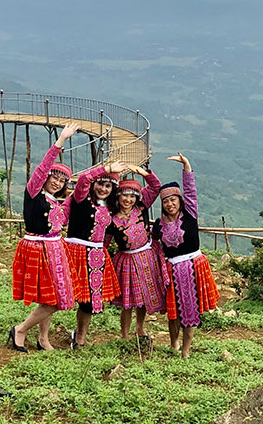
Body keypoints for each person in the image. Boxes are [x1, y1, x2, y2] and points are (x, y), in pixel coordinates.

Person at [9, 123, 84, 352]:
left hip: (54, 250)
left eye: (62, 181)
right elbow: (42, 168)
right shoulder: (34, 192)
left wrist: (104, 172)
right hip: (37, 249)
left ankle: (43, 339)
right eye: (55, 178)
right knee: (55, 300)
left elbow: (80, 191)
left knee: (48, 297)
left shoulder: (57, 203)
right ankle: (20, 330)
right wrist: (60, 140)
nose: (57, 183)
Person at [156, 153, 219, 357]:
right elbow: (153, 245)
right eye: (166, 201)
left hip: (193, 266)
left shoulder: (190, 214)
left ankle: (186, 350)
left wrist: (187, 166)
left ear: (180, 201)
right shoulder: (159, 225)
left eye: (173, 200)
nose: (170, 204)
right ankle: (173, 344)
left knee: (191, 310)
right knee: (173, 312)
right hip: (172, 270)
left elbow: (191, 192)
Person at [65, 160, 124, 349]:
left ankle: (80, 337)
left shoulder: (111, 208)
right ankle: (42, 336)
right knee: (59, 295)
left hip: (96, 257)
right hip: (74, 252)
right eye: (100, 184)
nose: (103, 189)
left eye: (108, 185)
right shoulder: (81, 198)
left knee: (88, 301)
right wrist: (106, 169)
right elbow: (83, 178)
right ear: (93, 184)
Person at [106, 166, 167, 341]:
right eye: (125, 195)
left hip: (147, 257)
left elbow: (156, 187)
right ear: (118, 196)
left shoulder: (141, 207)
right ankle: (124, 334)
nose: (129, 199)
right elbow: (105, 242)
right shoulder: (111, 219)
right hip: (126, 260)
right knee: (128, 300)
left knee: (143, 297)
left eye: (132, 196)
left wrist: (144, 173)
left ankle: (140, 327)